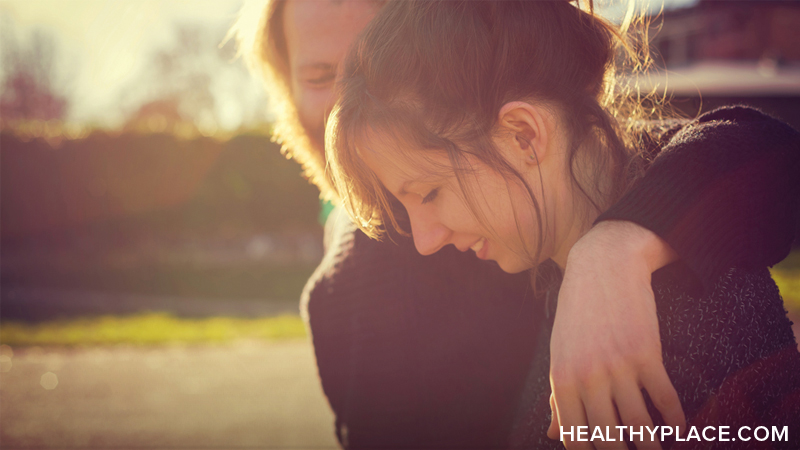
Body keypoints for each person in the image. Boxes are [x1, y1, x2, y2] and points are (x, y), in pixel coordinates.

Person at [233, 0, 799, 447]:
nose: (347, 103)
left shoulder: (572, 226)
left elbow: (772, 152)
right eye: (318, 75)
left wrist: (615, 249)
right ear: (283, 91)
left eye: (370, 62)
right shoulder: (346, 294)